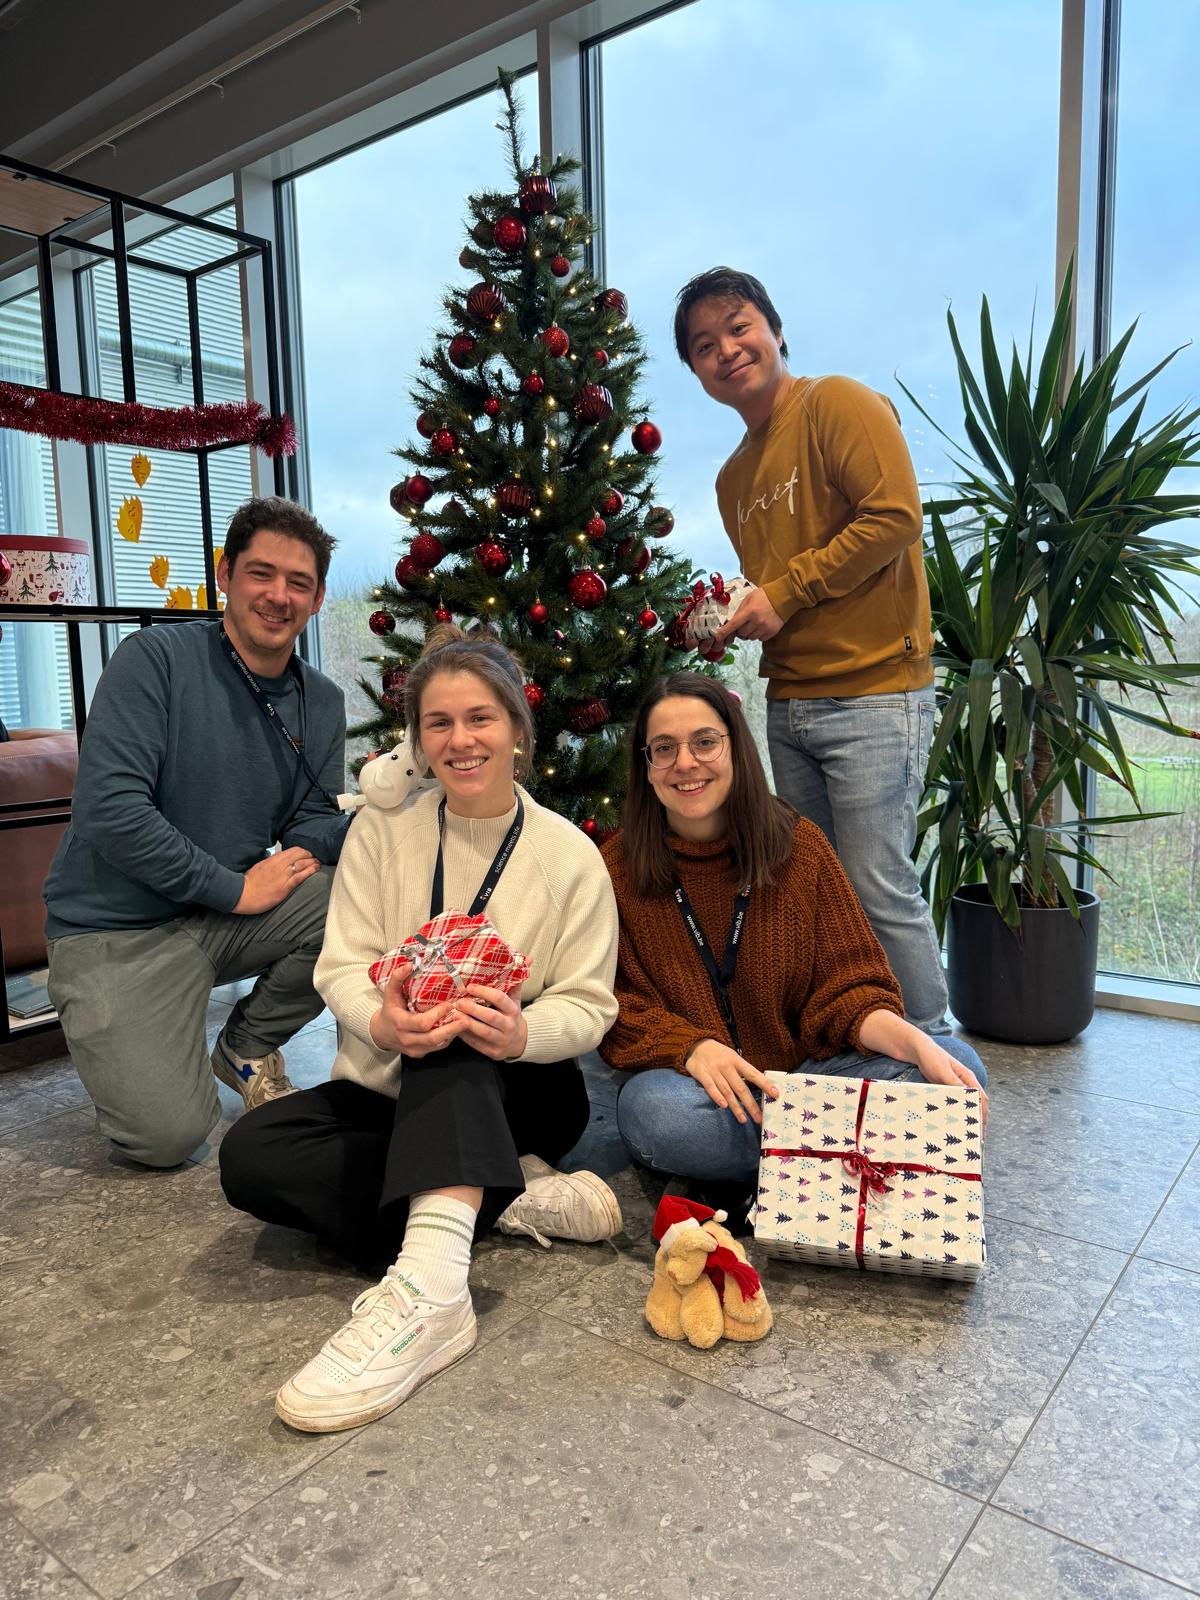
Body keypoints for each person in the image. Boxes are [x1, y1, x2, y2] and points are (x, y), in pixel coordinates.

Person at [219, 625, 622, 1434]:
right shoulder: (381, 832)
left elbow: (590, 1006)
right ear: (416, 740)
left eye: (481, 718)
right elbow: (339, 966)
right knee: (250, 1158)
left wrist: (517, 1032)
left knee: (459, 1029)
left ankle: (431, 1297)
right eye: (438, 723)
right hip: (391, 1084)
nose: (461, 740)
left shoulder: (570, 856)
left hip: (522, 1090)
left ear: (518, 731)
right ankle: (502, 1197)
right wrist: (381, 1018)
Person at [674, 266, 949, 1034]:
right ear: (696, 372)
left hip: (876, 694)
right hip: (791, 703)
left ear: (775, 328)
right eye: (704, 345)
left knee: (876, 884)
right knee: (814, 889)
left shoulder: (837, 403)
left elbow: (893, 518)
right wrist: (731, 613)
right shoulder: (733, 478)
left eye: (738, 327)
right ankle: (850, 1035)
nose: (727, 350)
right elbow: (775, 586)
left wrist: (782, 593)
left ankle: (938, 1057)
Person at [601, 673, 987, 1215]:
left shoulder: (798, 845)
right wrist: (689, 1047)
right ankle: (843, 1160)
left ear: (736, 748)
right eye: (663, 749)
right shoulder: (615, 869)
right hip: (703, 1093)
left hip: (807, 1079)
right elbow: (614, 1005)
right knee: (654, 1116)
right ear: (646, 767)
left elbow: (850, 985)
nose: (685, 763)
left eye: (705, 742)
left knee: (954, 1062)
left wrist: (914, 1041)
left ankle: (772, 1171)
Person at [44, 496, 348, 1168]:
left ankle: (246, 1044)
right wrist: (233, 888)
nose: (278, 596)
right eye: (261, 574)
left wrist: (376, 821)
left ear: (319, 597)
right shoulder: (154, 659)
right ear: (225, 573)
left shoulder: (320, 701)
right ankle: (120, 1036)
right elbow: (111, 811)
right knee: (167, 1139)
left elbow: (310, 822)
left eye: (298, 582)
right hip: (114, 933)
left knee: (352, 895)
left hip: (219, 917)